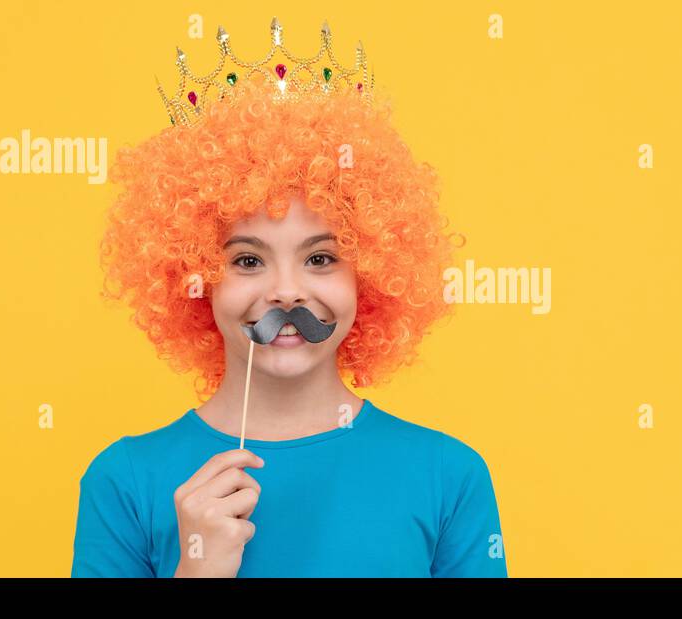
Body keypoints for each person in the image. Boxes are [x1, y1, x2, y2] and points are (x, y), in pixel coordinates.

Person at [70, 21, 506, 577]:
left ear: (368, 275)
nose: (285, 290)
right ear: (193, 277)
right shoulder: (125, 479)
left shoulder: (448, 475)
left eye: (320, 258)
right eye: (247, 260)